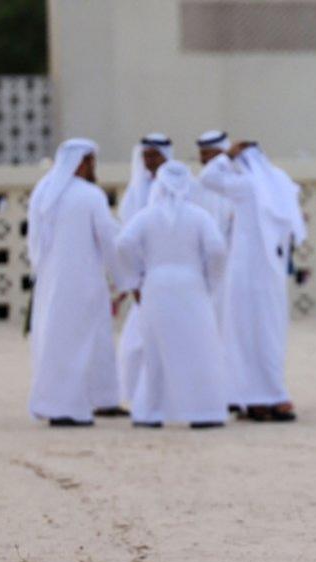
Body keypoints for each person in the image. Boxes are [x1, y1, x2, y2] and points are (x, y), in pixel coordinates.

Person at [199, 140, 307, 421]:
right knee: (270, 334)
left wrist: (225, 156)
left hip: (246, 273)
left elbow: (207, 177)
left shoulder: (246, 185)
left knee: (244, 335)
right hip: (273, 271)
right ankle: (272, 396)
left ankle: (257, 398)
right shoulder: (279, 182)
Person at [116, 161, 228, 428]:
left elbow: (123, 243)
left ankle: (149, 413)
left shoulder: (146, 215)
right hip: (191, 285)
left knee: (155, 350)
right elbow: (217, 249)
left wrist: (135, 278)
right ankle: (204, 413)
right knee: (199, 348)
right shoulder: (199, 215)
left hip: (155, 285)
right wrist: (210, 280)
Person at [27, 139, 128, 425]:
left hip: (50, 282)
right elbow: (109, 238)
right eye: (92, 163)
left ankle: (103, 399)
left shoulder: (43, 192)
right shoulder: (89, 195)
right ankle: (65, 409)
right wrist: (125, 278)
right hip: (82, 282)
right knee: (75, 344)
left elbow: (34, 242)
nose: (94, 169)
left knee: (86, 342)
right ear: (82, 163)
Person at [116, 133, 173, 409]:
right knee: (135, 343)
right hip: (144, 277)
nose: (150, 161)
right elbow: (126, 238)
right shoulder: (134, 192)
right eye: (146, 156)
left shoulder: (181, 187)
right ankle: (135, 394)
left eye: (155, 155)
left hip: (174, 276)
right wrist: (132, 279)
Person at [194, 130, 236, 328]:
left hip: (233, 259)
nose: (203, 158)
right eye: (202, 153)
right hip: (204, 259)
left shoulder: (238, 182)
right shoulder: (196, 185)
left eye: (208, 153)